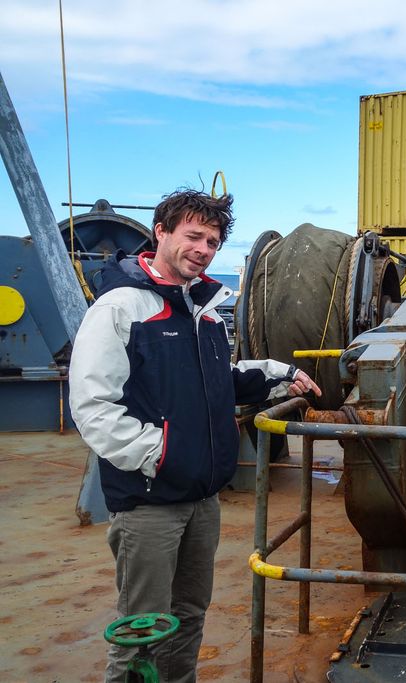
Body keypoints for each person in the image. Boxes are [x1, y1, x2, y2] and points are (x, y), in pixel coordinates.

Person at [69, 189, 321, 682]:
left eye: (212, 240)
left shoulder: (204, 312)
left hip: (202, 500)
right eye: (193, 236)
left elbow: (217, 381)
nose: (203, 248)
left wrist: (277, 373)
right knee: (142, 629)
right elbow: (94, 407)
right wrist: (161, 454)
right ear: (160, 232)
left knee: (189, 617)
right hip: (149, 502)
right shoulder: (121, 308)